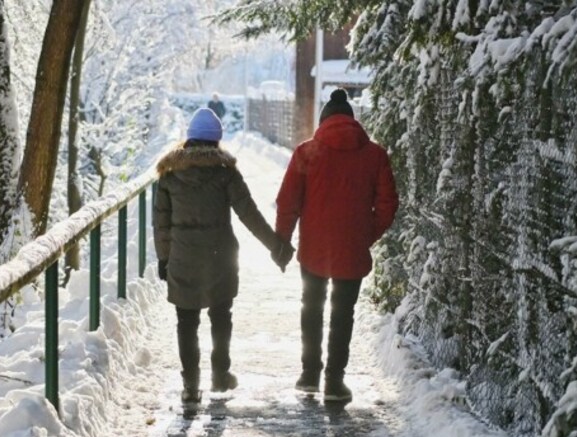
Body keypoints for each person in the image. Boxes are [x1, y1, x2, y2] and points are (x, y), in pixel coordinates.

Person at [154, 108, 292, 403]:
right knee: (221, 316)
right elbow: (249, 215)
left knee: (186, 322)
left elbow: (161, 225)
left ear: (188, 139)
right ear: (217, 141)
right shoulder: (227, 174)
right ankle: (220, 376)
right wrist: (276, 246)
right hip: (220, 257)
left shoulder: (168, 175)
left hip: (183, 256)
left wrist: (164, 259)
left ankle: (191, 387)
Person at [275, 89, 399, 401]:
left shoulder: (307, 152)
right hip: (352, 249)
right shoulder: (375, 155)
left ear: (324, 121)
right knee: (343, 312)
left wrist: (282, 242)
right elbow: (387, 204)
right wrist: (364, 234)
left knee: (311, 307)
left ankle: (309, 374)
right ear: (352, 122)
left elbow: (287, 201)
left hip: (314, 249)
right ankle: (334, 381)